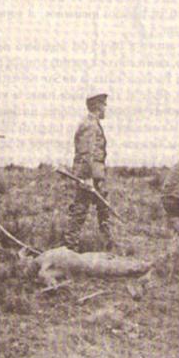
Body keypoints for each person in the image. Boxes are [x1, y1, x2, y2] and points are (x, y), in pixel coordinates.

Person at [63, 93, 114, 252]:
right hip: (90, 175)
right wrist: (87, 178)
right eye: (104, 105)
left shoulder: (93, 123)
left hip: (96, 175)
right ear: (98, 106)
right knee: (81, 209)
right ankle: (71, 247)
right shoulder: (89, 125)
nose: (106, 108)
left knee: (103, 208)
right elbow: (86, 153)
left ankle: (107, 244)